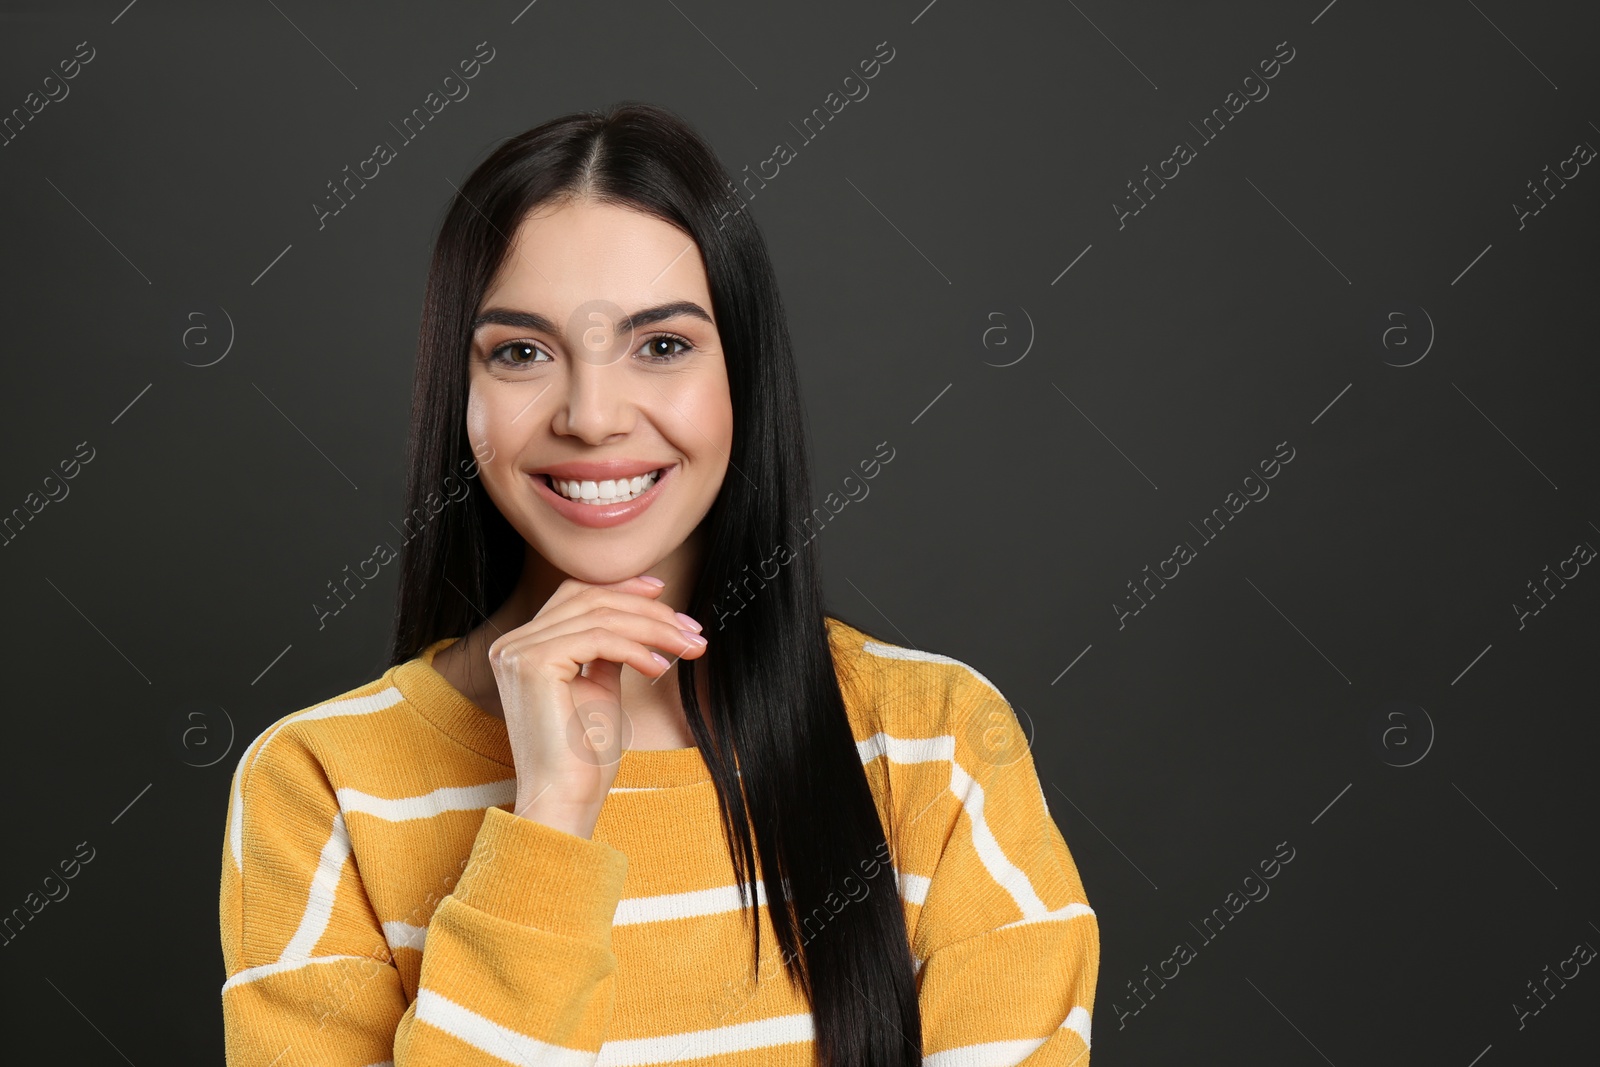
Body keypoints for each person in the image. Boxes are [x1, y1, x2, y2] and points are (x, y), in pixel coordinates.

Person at [218, 101, 1098, 1066]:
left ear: (742, 375)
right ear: (456, 393)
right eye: (520, 352)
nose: (592, 418)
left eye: (663, 344)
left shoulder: (938, 744)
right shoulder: (320, 786)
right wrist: (551, 815)